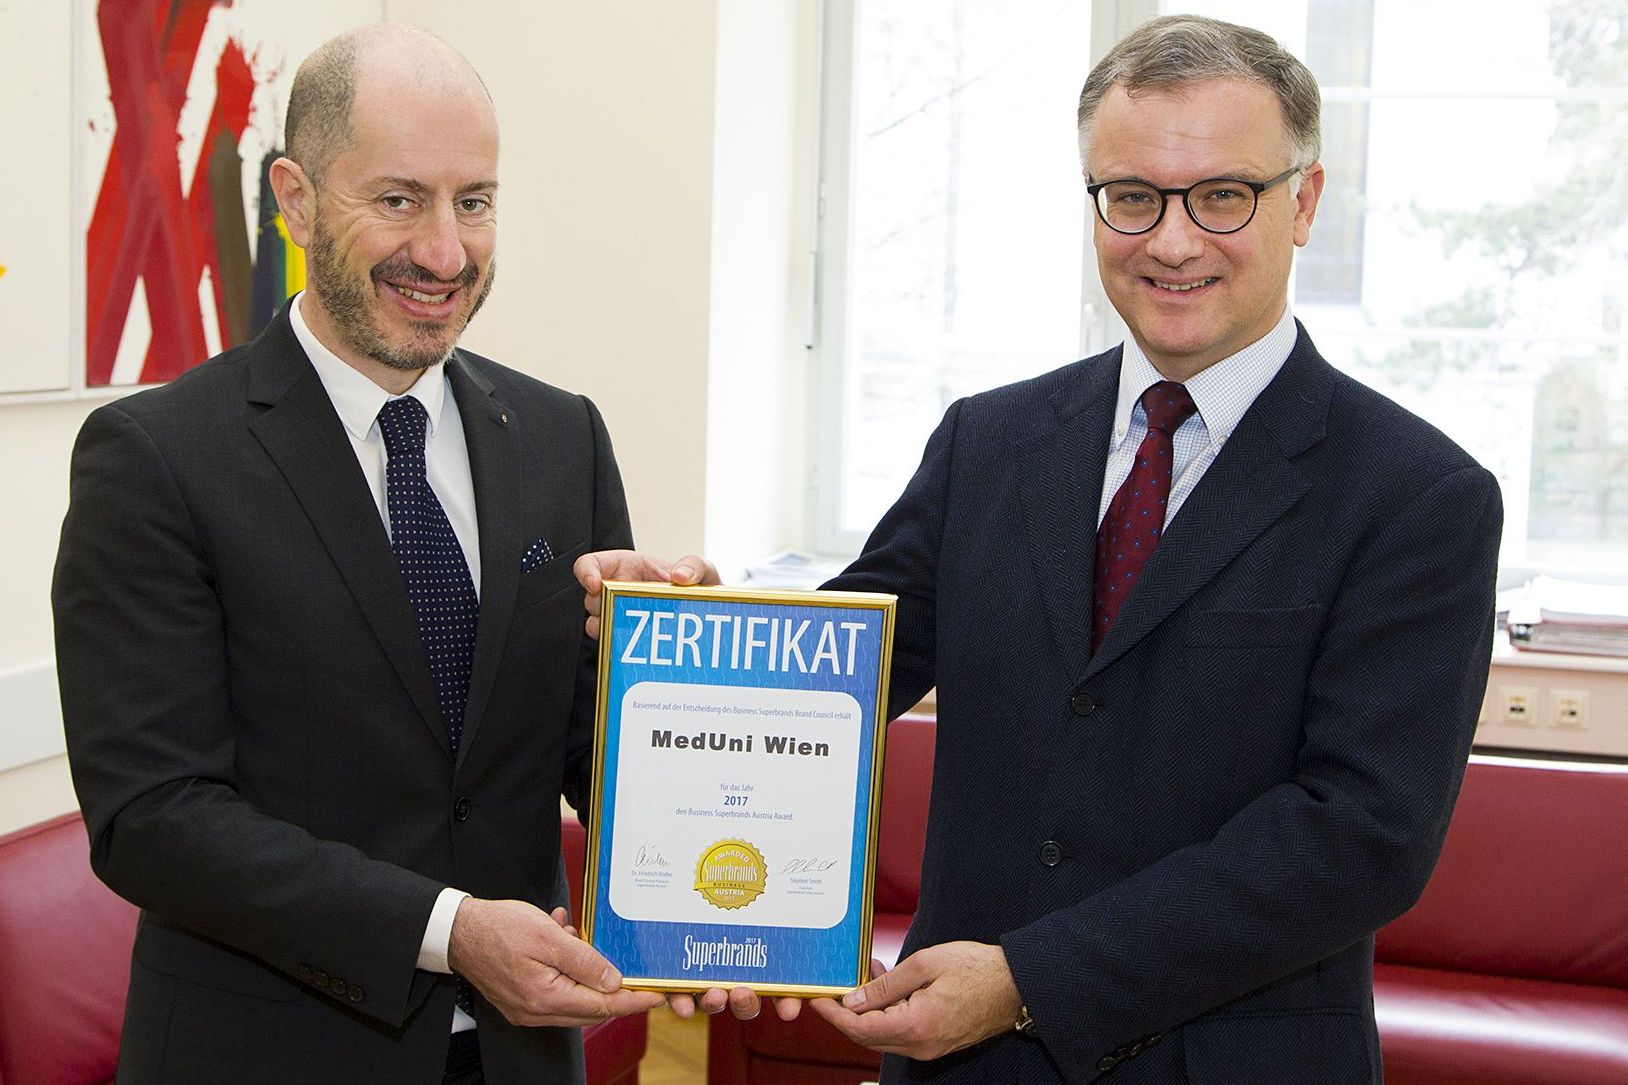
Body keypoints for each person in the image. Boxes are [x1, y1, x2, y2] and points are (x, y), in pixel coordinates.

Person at [577, 14, 1502, 1084]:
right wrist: (686, 626)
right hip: (961, 1067)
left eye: (1221, 194)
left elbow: (1358, 839)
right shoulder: (990, 441)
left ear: (1303, 201)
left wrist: (1030, 977)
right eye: (1131, 195)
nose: (1169, 239)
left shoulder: (1416, 495)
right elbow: (827, 677)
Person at [52, 24, 663, 1085]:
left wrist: (664, 674)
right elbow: (154, 817)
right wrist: (447, 927)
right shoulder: (156, 457)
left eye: (473, 201)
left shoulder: (563, 435)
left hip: (522, 1057)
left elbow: (581, 753)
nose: (444, 251)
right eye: (398, 198)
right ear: (292, 200)